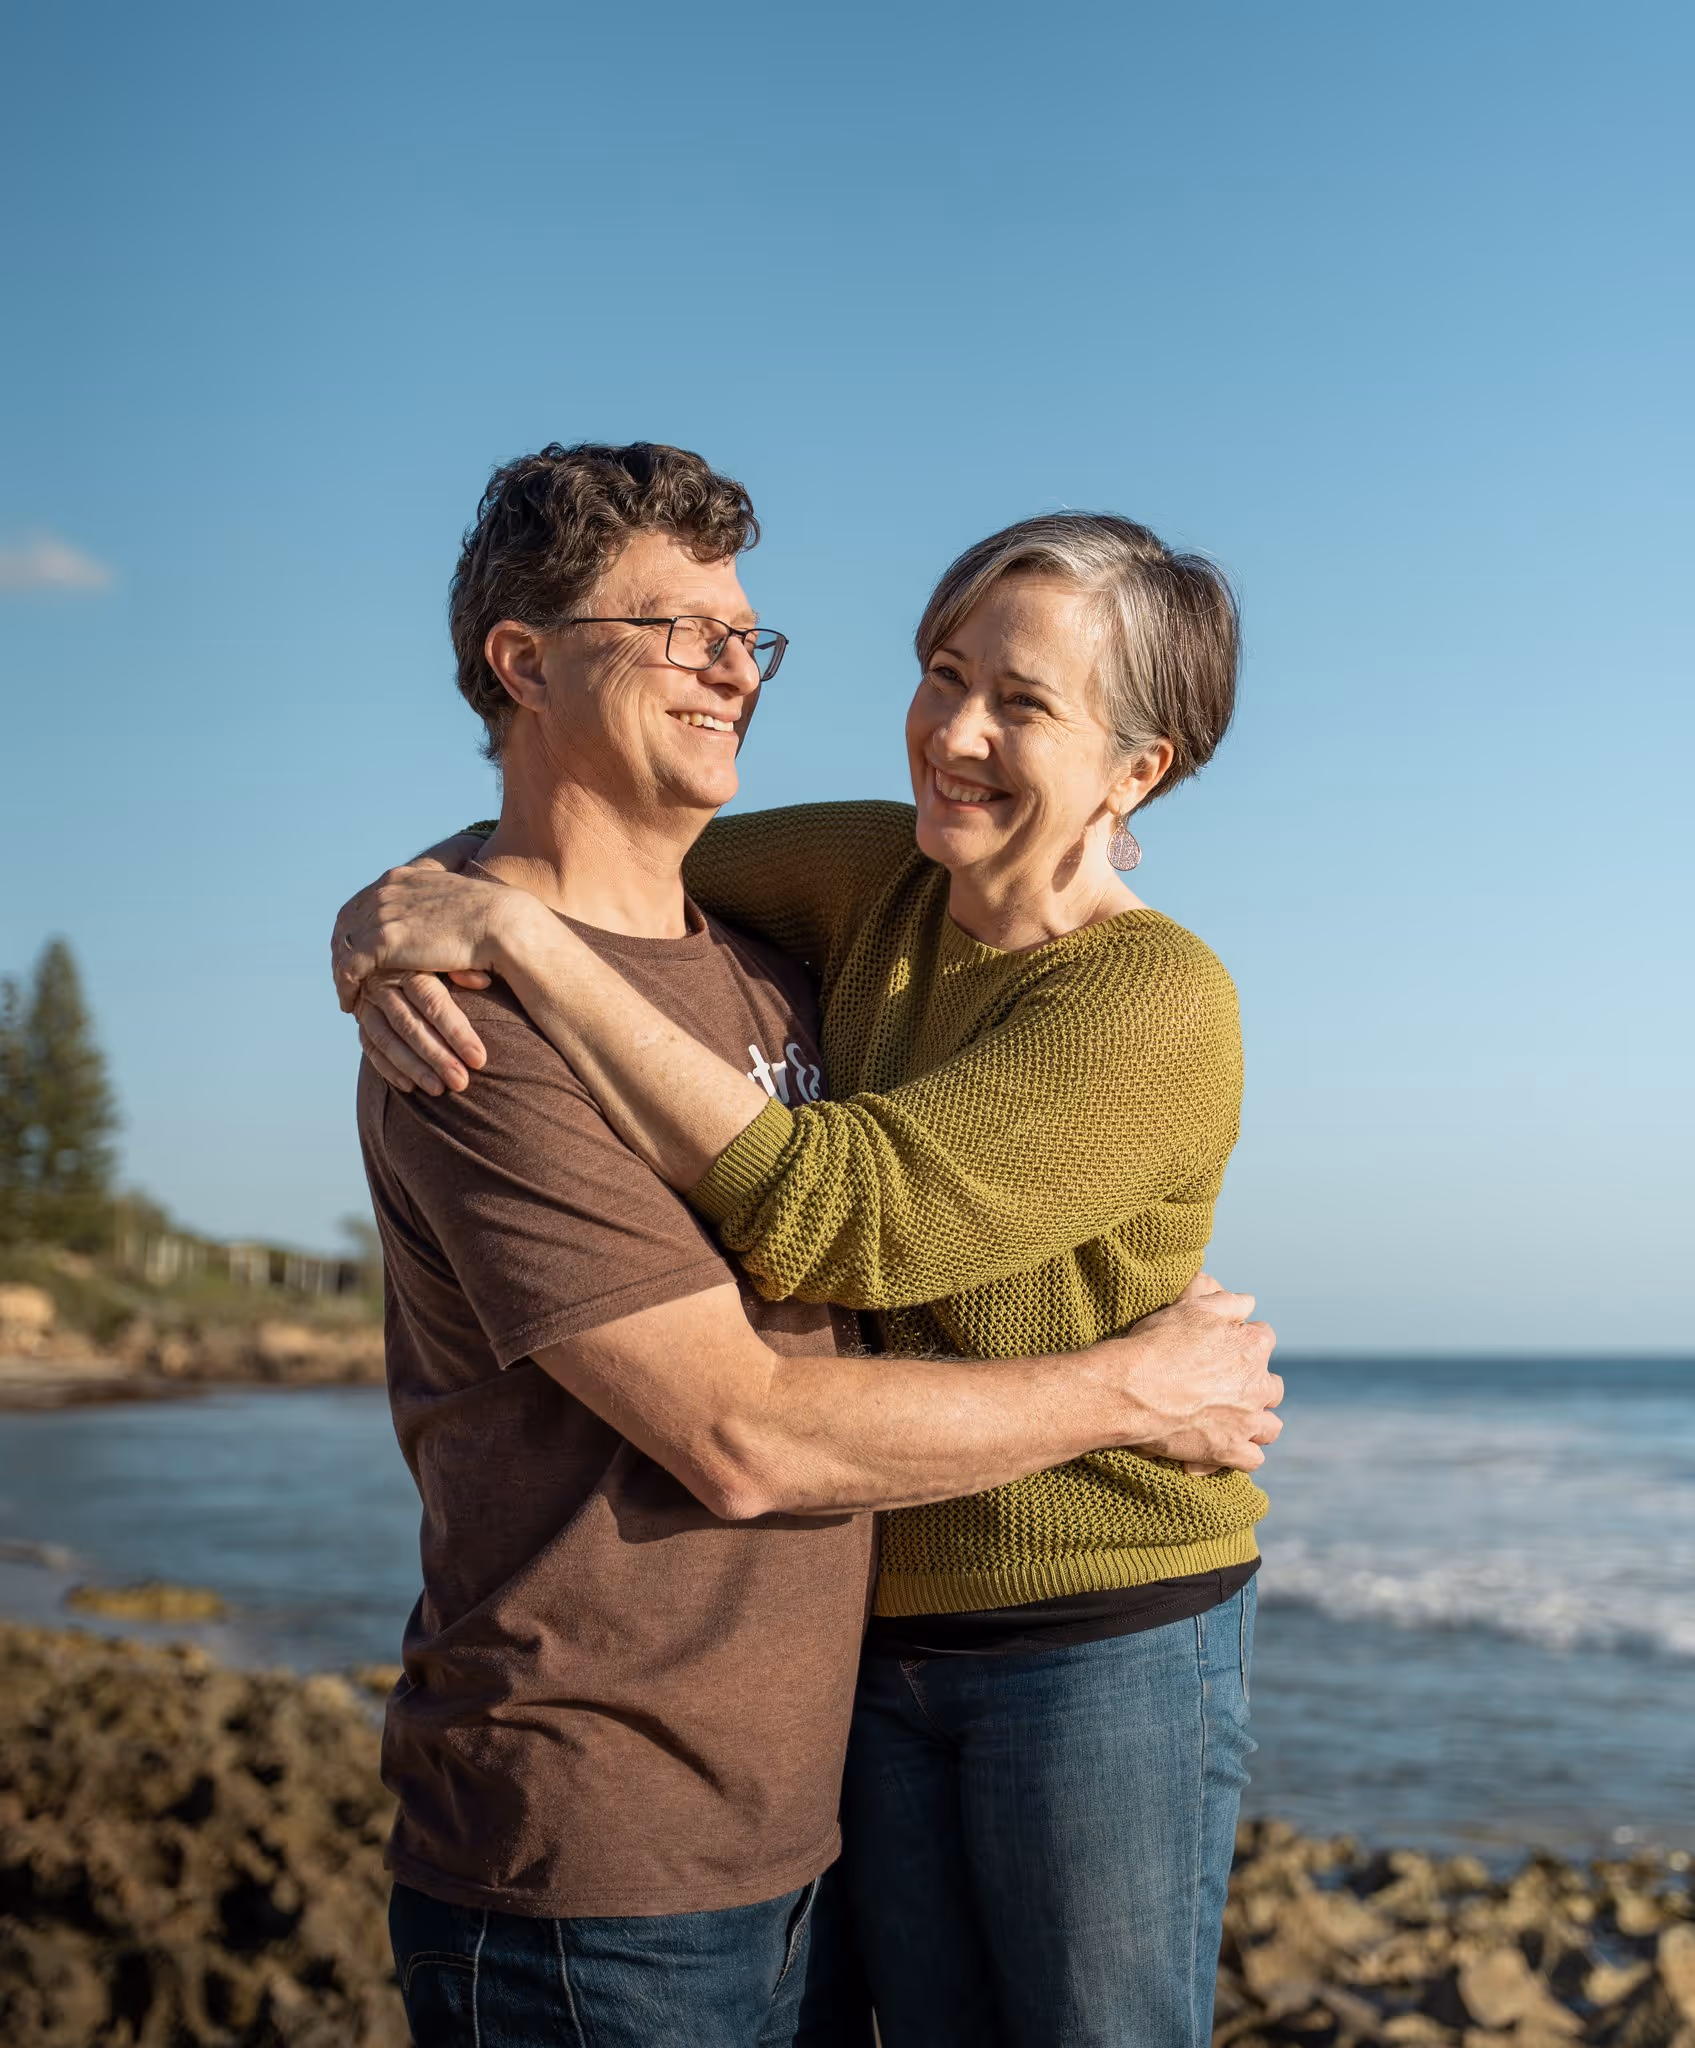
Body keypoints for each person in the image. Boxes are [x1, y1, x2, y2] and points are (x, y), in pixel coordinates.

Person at [339, 441, 1281, 2048]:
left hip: (1089, 1633)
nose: (955, 731)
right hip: (826, 1675)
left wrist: (498, 925)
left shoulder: (1147, 1000)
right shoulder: (862, 879)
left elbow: (845, 1213)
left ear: (1138, 767)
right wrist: (401, 912)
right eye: (940, 672)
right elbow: (596, 847)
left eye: (1023, 704)